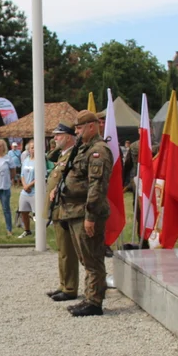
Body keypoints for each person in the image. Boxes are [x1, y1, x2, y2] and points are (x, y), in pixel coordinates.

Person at [59, 112, 113, 317]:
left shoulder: (99, 151)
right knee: (86, 257)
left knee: (93, 257)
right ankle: (90, 297)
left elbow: (96, 186)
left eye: (80, 128)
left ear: (92, 127)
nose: (77, 132)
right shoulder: (84, 149)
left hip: (87, 212)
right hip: (75, 211)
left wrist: (90, 217)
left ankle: (95, 302)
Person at [46, 123, 79, 301]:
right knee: (62, 249)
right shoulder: (63, 155)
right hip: (58, 208)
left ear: (68, 137)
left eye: (58, 135)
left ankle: (70, 287)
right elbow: (50, 156)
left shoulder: (73, 156)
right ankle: (63, 283)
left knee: (68, 250)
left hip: (65, 207)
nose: (55, 138)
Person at [17, 139, 37, 238]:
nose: (34, 149)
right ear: (29, 149)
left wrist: (29, 186)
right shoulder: (26, 160)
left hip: (35, 191)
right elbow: (22, 174)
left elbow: (41, 176)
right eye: (32, 147)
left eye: (35, 147)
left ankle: (39, 232)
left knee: (36, 213)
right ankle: (27, 230)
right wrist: (25, 185)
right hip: (25, 191)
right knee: (23, 211)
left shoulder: (40, 161)